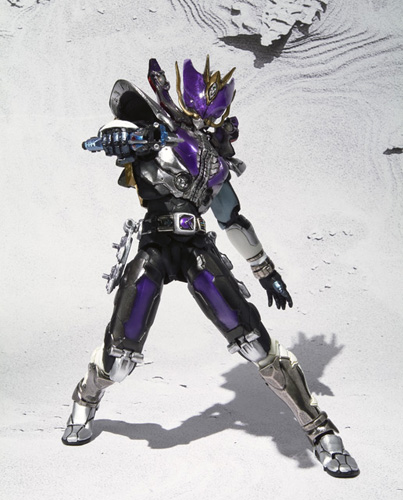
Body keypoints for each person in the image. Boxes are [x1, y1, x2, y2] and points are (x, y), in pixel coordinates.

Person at [62, 57, 359, 478]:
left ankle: (319, 428)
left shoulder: (215, 164)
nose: (207, 116)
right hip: (155, 246)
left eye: (215, 112)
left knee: (254, 341)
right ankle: (85, 396)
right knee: (121, 358)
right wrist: (127, 137)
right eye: (201, 106)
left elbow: (232, 219)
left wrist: (265, 271)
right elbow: (116, 128)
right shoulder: (156, 131)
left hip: (196, 247)